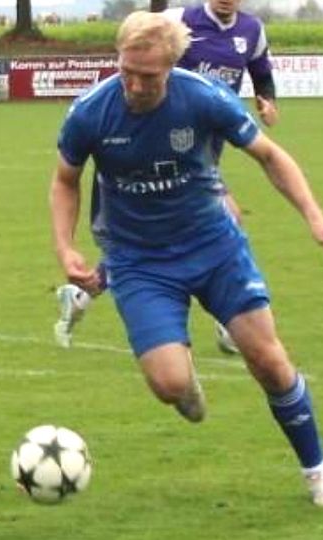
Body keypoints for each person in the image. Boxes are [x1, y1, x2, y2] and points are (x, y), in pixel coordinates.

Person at [49, 11, 323, 509]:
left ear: (170, 65)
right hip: (138, 260)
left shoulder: (204, 97)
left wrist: (315, 217)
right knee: (169, 386)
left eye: (147, 76)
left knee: (270, 363)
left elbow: (270, 157)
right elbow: (65, 180)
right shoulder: (91, 111)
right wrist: (65, 246)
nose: (134, 84)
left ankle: (318, 473)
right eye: (126, 70)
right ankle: (187, 386)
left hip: (213, 247)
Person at [54, 0, 278, 355]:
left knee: (181, 231)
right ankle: (228, 321)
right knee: (211, 220)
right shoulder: (177, 19)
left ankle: (81, 295)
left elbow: (260, 70)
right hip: (159, 139)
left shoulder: (252, 30)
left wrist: (268, 99)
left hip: (204, 144)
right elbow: (142, 42)